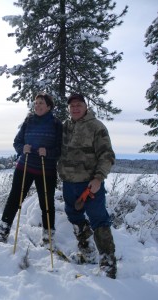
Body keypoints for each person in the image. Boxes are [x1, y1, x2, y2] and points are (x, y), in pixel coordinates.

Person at [57, 93, 117, 279]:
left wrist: (98, 178)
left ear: (85, 106)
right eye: (72, 105)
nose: (75, 108)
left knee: (99, 219)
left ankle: (108, 263)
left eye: (79, 105)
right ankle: (87, 250)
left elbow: (107, 155)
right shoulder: (65, 127)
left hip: (90, 184)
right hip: (69, 183)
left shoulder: (96, 127)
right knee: (73, 215)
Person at [0, 92, 62, 245]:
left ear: (49, 106)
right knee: (14, 200)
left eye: (41, 103)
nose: (37, 105)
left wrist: (48, 152)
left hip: (46, 170)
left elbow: (60, 149)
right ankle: (2, 232)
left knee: (47, 203)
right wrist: (22, 148)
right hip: (25, 167)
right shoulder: (28, 121)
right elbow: (17, 142)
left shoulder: (56, 124)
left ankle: (48, 237)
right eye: (36, 103)